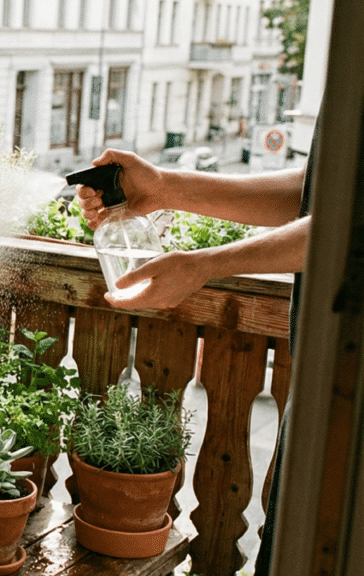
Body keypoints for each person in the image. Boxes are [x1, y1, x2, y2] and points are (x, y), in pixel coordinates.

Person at [74, 135, 317, 576]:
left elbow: (348, 221)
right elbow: (314, 191)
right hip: (323, 370)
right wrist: (165, 186)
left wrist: (206, 264)